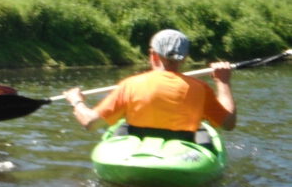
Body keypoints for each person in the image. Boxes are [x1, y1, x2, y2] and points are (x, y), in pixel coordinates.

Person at [65, 29, 236, 138]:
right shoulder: (201, 89)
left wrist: (76, 101)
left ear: (153, 54)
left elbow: (90, 122)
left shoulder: (130, 85)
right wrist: (223, 82)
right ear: (184, 58)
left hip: (138, 151)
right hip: (183, 153)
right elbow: (228, 124)